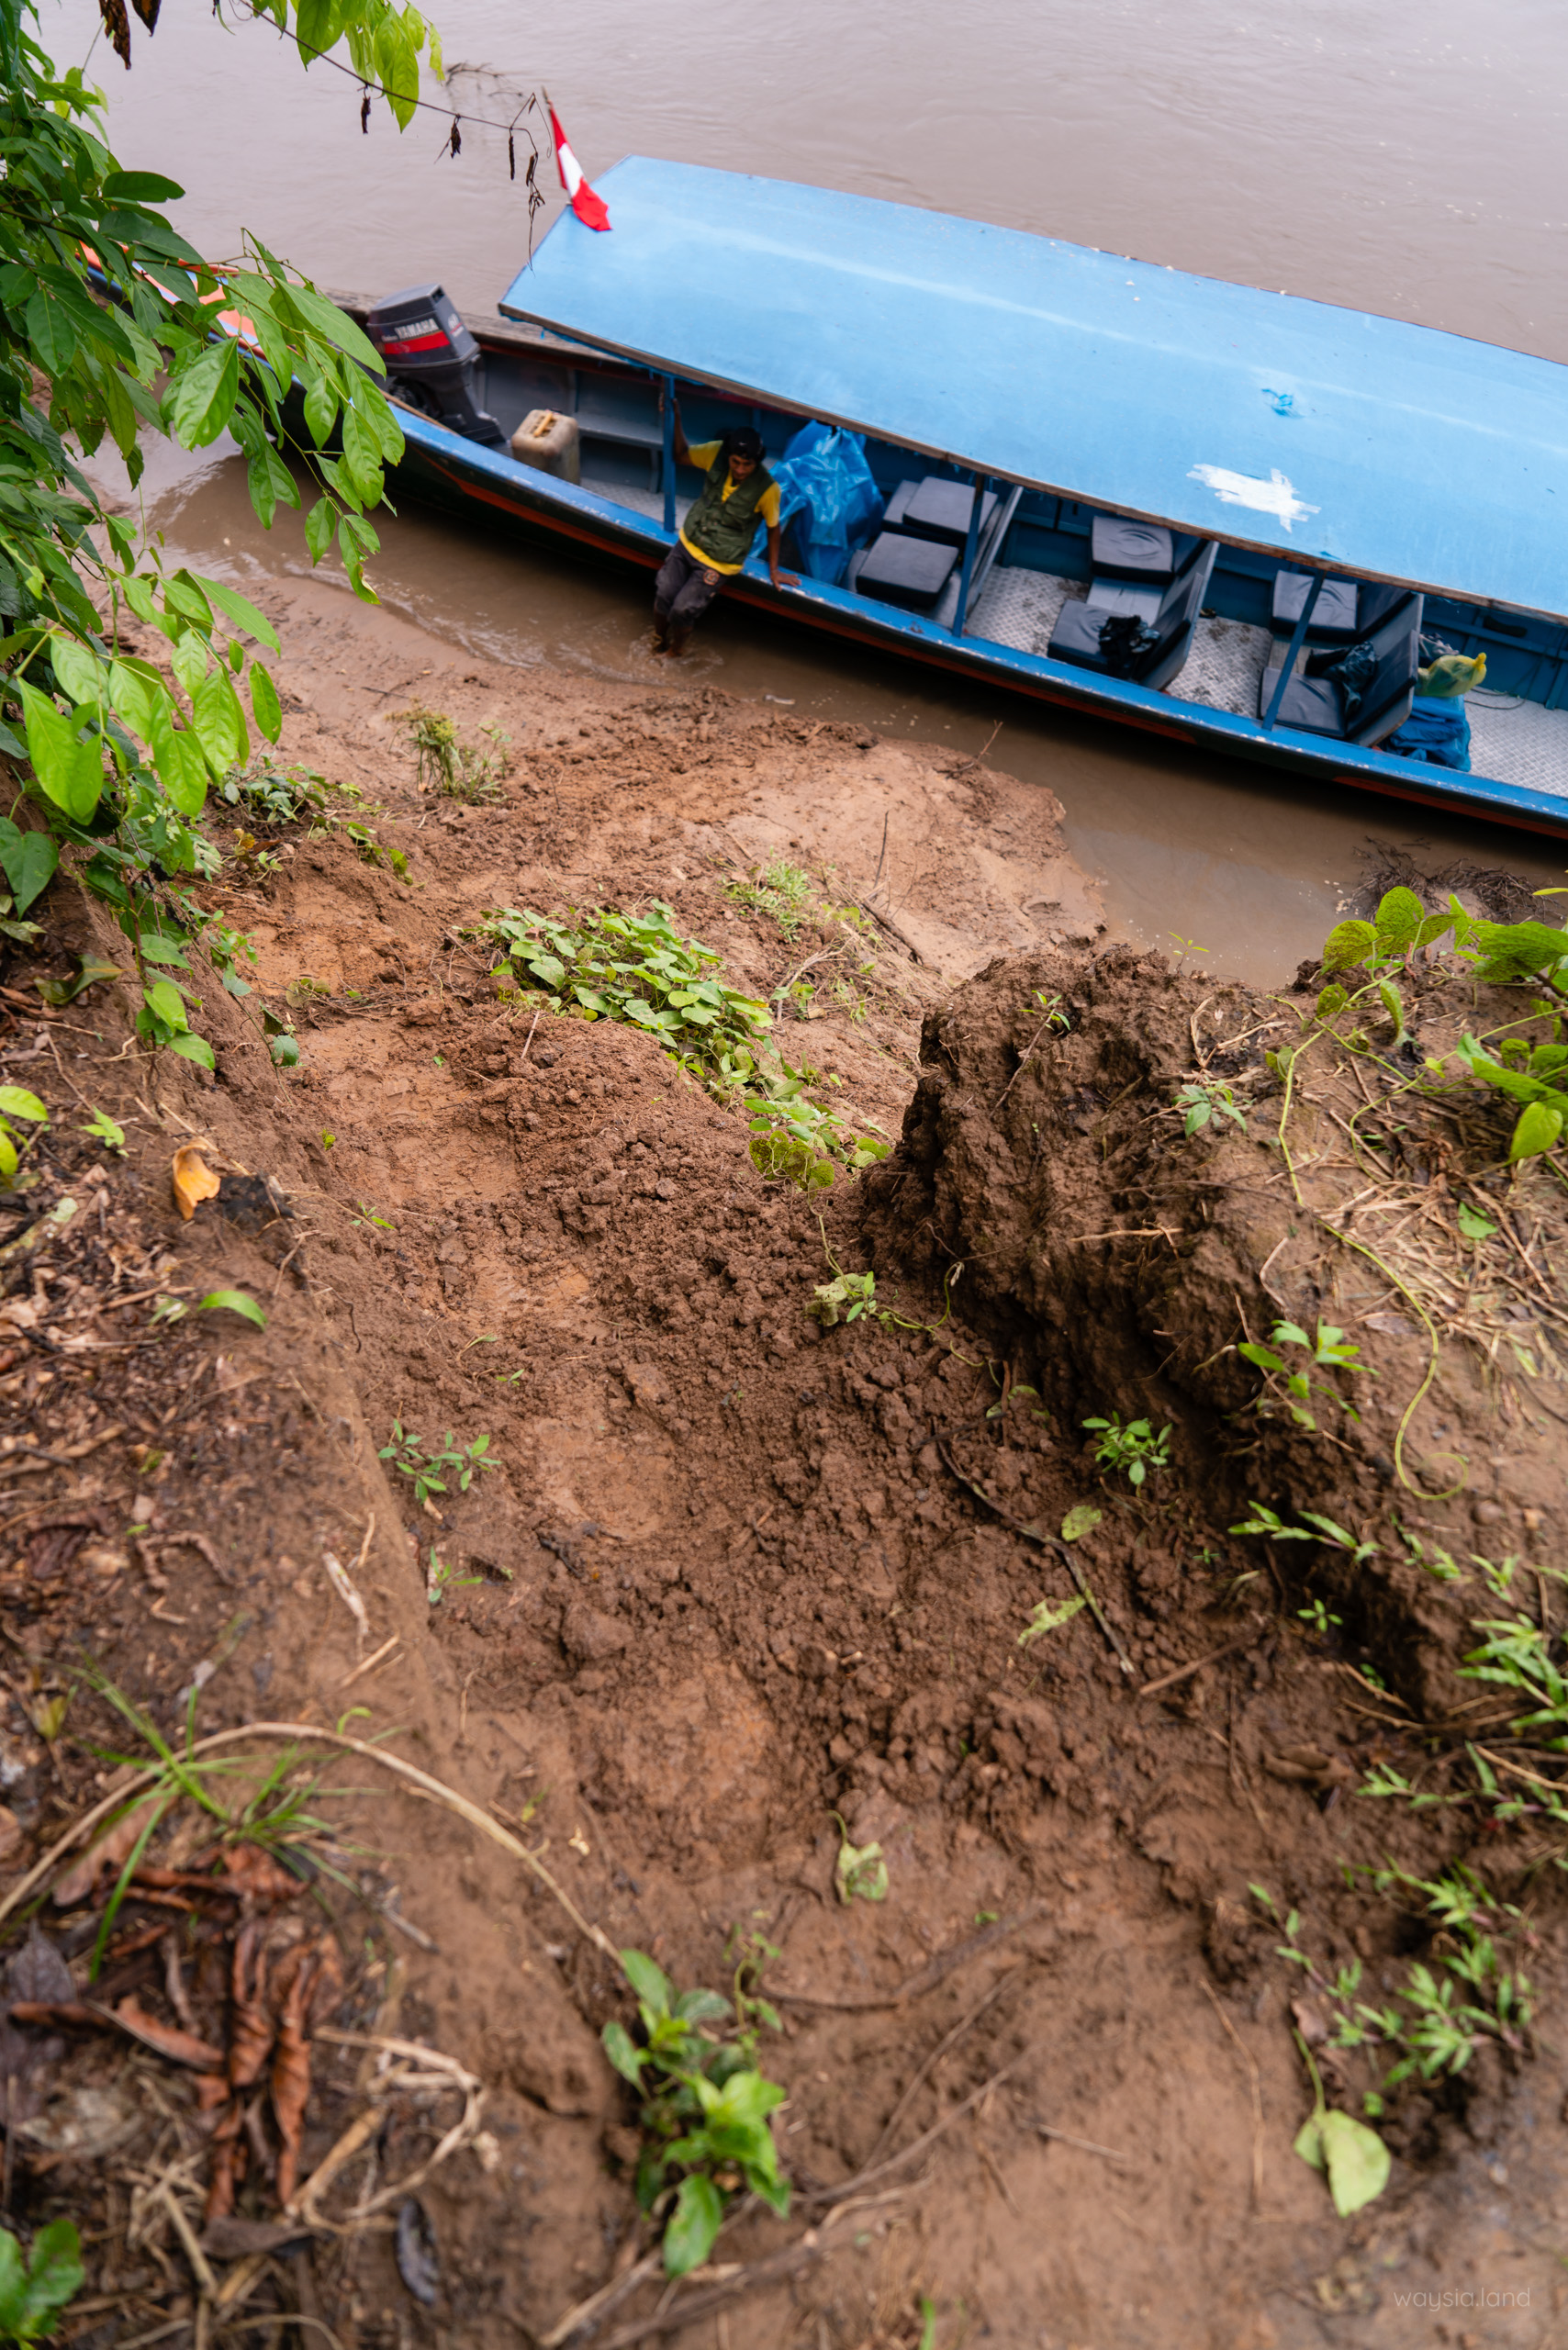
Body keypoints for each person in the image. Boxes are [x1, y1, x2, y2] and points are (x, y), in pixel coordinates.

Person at [652, 401, 796, 655]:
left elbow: (774, 528)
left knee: (683, 609)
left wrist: (774, 570)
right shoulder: (716, 453)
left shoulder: (768, 489)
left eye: (747, 465)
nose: (740, 470)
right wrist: (676, 416)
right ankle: (658, 639)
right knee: (664, 594)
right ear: (728, 455)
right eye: (736, 462)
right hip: (689, 542)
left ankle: (676, 651)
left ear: (757, 463)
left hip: (719, 561)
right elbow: (680, 455)